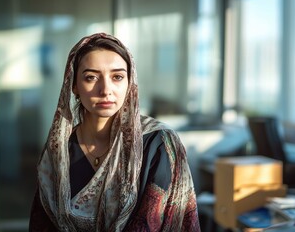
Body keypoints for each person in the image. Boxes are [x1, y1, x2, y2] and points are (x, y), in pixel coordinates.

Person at [29, 33, 200, 231]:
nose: (105, 90)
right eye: (91, 77)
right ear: (73, 85)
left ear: (130, 83)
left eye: (117, 77)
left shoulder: (158, 143)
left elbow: (171, 222)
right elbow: (42, 224)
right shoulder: (58, 152)